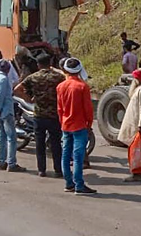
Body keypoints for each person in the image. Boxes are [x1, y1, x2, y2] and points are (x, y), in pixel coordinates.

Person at [13, 54, 65, 178]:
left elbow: (17, 89)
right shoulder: (59, 77)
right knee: (56, 144)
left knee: (39, 143)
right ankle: (58, 170)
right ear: (50, 63)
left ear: (38, 65)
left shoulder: (33, 77)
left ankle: (41, 170)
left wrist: (29, 99)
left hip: (39, 115)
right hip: (54, 115)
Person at [57, 57, 97, 194]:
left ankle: (69, 183)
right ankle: (79, 185)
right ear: (79, 70)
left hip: (65, 125)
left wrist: (62, 122)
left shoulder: (60, 87)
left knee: (66, 155)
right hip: (80, 126)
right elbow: (88, 109)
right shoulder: (82, 87)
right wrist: (89, 124)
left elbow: (60, 108)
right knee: (78, 157)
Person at [0, 60, 26, 173]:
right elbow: (1, 96)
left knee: (1, 137)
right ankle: (11, 163)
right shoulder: (4, 80)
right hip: (6, 112)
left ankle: (1, 162)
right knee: (12, 138)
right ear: (8, 69)